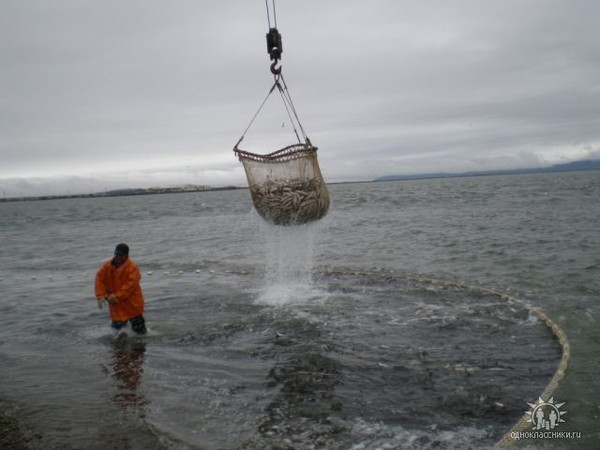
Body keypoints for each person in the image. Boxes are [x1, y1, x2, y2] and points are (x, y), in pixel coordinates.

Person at [95, 243, 147, 334]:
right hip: (116, 306)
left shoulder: (132, 268)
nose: (118, 257)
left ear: (126, 256)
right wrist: (100, 296)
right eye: (116, 254)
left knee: (140, 334)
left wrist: (116, 296)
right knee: (115, 333)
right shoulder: (107, 266)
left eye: (120, 255)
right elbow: (99, 279)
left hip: (132, 304)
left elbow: (130, 286)